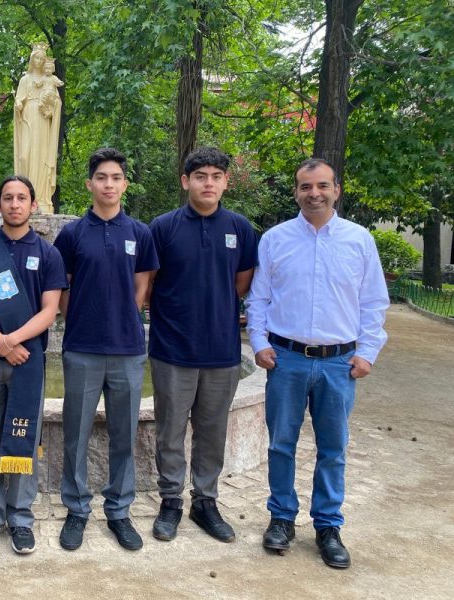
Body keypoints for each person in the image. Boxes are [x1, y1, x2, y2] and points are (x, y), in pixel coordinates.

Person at [246, 158, 389, 569]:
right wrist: (258, 341)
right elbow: (259, 298)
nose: (314, 193)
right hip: (286, 359)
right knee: (280, 443)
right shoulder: (275, 239)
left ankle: (328, 525)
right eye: (306, 187)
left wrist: (368, 352)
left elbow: (374, 302)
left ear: (336, 190)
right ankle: (281, 517)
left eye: (322, 185)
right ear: (296, 191)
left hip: (339, 363)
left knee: (333, 449)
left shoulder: (359, 240)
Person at [146, 147, 258, 543]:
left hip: (222, 351)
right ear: (185, 181)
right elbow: (150, 284)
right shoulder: (163, 227)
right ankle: (171, 501)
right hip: (172, 350)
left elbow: (242, 284)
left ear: (226, 181)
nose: (208, 183)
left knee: (212, 432)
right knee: (170, 432)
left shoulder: (240, 229)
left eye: (215, 176)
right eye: (200, 176)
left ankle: (205, 502)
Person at [54, 148, 158, 551]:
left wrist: (123, 317)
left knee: (123, 435)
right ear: (90, 184)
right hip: (81, 347)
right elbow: (60, 286)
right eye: (102, 177)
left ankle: (119, 511)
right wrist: (78, 317)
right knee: (76, 434)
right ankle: (77, 509)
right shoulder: (72, 234)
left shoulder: (140, 233)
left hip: (129, 349)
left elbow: (142, 285)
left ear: (124, 184)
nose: (109, 184)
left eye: (116, 177)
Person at [0, 175, 67, 554]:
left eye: (22, 198)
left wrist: (13, 341)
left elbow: (50, 311)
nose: (15, 204)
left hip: (27, 362)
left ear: (33, 205)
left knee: (24, 439)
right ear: (0, 204)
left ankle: (20, 518)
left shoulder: (49, 254)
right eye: (8, 198)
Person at [14, 43, 62, 214]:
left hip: (42, 120)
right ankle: (24, 195)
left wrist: (51, 104)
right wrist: (18, 105)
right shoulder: (24, 80)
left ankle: (41, 198)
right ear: (32, 59)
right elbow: (19, 99)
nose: (39, 61)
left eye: (42, 58)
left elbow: (57, 102)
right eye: (37, 58)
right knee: (25, 156)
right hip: (27, 118)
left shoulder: (50, 80)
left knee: (41, 157)